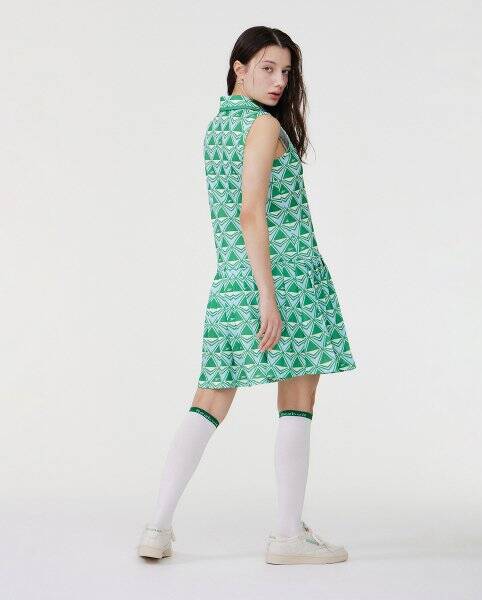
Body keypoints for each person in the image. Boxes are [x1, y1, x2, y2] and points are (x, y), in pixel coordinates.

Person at [137, 26, 357, 565]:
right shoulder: (262, 126)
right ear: (238, 67)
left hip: (233, 279)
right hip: (283, 281)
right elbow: (250, 213)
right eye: (267, 68)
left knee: (209, 399)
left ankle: (157, 528)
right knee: (298, 397)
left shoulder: (219, 126)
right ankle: (286, 537)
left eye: (286, 72)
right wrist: (269, 297)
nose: (279, 81)